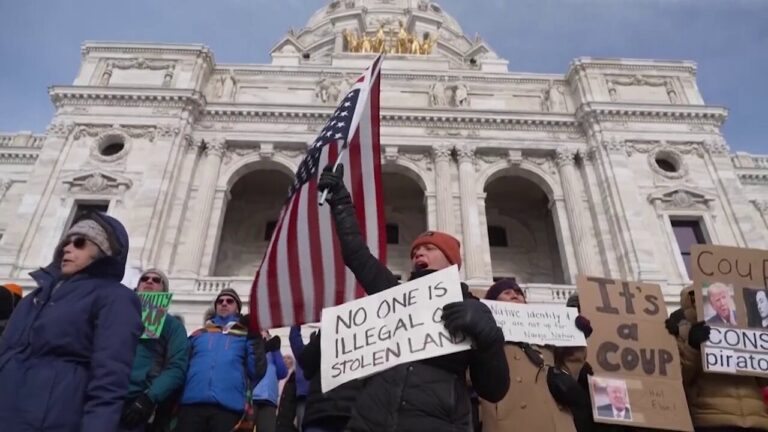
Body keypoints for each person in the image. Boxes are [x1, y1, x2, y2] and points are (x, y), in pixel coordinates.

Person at [318, 164, 509, 431]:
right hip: (370, 421)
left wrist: (489, 340)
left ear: (452, 261)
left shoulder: (473, 309)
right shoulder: (396, 295)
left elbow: (494, 390)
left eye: (429, 248)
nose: (419, 254)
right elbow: (356, 254)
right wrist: (340, 202)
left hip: (435, 421)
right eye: (415, 251)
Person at [0, 212, 143, 431]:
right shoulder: (36, 297)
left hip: (53, 419)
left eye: (79, 243)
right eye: (66, 242)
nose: (68, 248)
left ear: (103, 251)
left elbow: (109, 379)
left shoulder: (116, 298)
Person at [481, 279, 589, 432]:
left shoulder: (544, 334)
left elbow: (566, 371)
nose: (515, 296)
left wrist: (577, 336)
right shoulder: (484, 336)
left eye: (519, 293)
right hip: (509, 420)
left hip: (554, 421)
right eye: (507, 293)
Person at [671, 286, 768, 431]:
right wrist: (693, 348)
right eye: (717, 300)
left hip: (756, 420)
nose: (722, 303)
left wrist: (761, 346)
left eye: (724, 298)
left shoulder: (747, 328)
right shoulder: (683, 335)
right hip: (711, 419)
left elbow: (762, 380)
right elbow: (680, 379)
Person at [177, 288, 267, 432]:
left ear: (237, 308)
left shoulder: (245, 335)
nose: (224, 303)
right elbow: (180, 366)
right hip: (192, 405)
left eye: (229, 301)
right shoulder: (198, 334)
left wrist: (255, 337)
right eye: (220, 301)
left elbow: (257, 371)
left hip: (228, 409)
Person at [120, 269, 189, 432]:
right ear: (137, 287)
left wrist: (149, 397)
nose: (149, 281)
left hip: (138, 402)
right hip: (106, 393)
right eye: (144, 279)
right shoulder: (119, 314)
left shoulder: (173, 326)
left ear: (164, 291)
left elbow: (177, 367)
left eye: (156, 280)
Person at [296, 329, 364, 432]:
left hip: (350, 413)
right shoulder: (325, 334)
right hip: (321, 412)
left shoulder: (367, 336)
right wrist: (322, 335)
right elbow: (305, 363)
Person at [252, 330, 288, 432]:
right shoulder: (251, 347)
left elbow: (282, 372)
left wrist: (276, 350)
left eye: (266, 334)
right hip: (251, 397)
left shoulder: (273, 353)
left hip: (269, 399)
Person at [288, 325, 311, 429]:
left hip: (322, 399)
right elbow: (294, 339)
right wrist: (296, 322)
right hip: (304, 397)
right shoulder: (304, 353)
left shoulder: (328, 354)